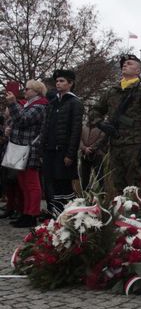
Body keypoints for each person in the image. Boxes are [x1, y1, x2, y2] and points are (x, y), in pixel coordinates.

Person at [89, 54, 141, 194]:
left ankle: (136, 213)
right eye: (124, 64)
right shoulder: (111, 91)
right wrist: (101, 124)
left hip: (134, 145)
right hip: (114, 144)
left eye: (130, 63)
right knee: (116, 183)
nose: (125, 65)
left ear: (138, 71)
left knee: (134, 184)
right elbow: (94, 110)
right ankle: (120, 213)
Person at [6, 80, 48, 228]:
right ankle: (26, 212)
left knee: (31, 183)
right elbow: (17, 120)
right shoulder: (28, 105)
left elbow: (23, 120)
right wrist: (10, 127)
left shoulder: (40, 106)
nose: (24, 91)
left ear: (36, 91)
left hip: (30, 148)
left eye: (27, 89)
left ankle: (32, 214)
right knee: (23, 182)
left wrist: (12, 103)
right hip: (20, 147)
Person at [41, 70, 84, 215]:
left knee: (63, 184)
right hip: (50, 150)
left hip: (63, 151)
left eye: (62, 81)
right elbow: (46, 127)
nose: (58, 84)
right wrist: (43, 149)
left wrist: (70, 154)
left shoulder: (75, 103)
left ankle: (67, 215)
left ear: (70, 83)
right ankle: (55, 214)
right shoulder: (52, 103)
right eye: (57, 81)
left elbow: (76, 130)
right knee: (51, 183)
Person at [79, 123, 106, 191]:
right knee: (84, 177)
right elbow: (79, 139)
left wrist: (91, 148)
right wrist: (84, 148)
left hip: (97, 155)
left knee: (100, 176)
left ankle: (102, 196)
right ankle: (85, 194)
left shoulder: (102, 126)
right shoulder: (83, 127)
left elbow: (101, 139)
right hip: (84, 155)